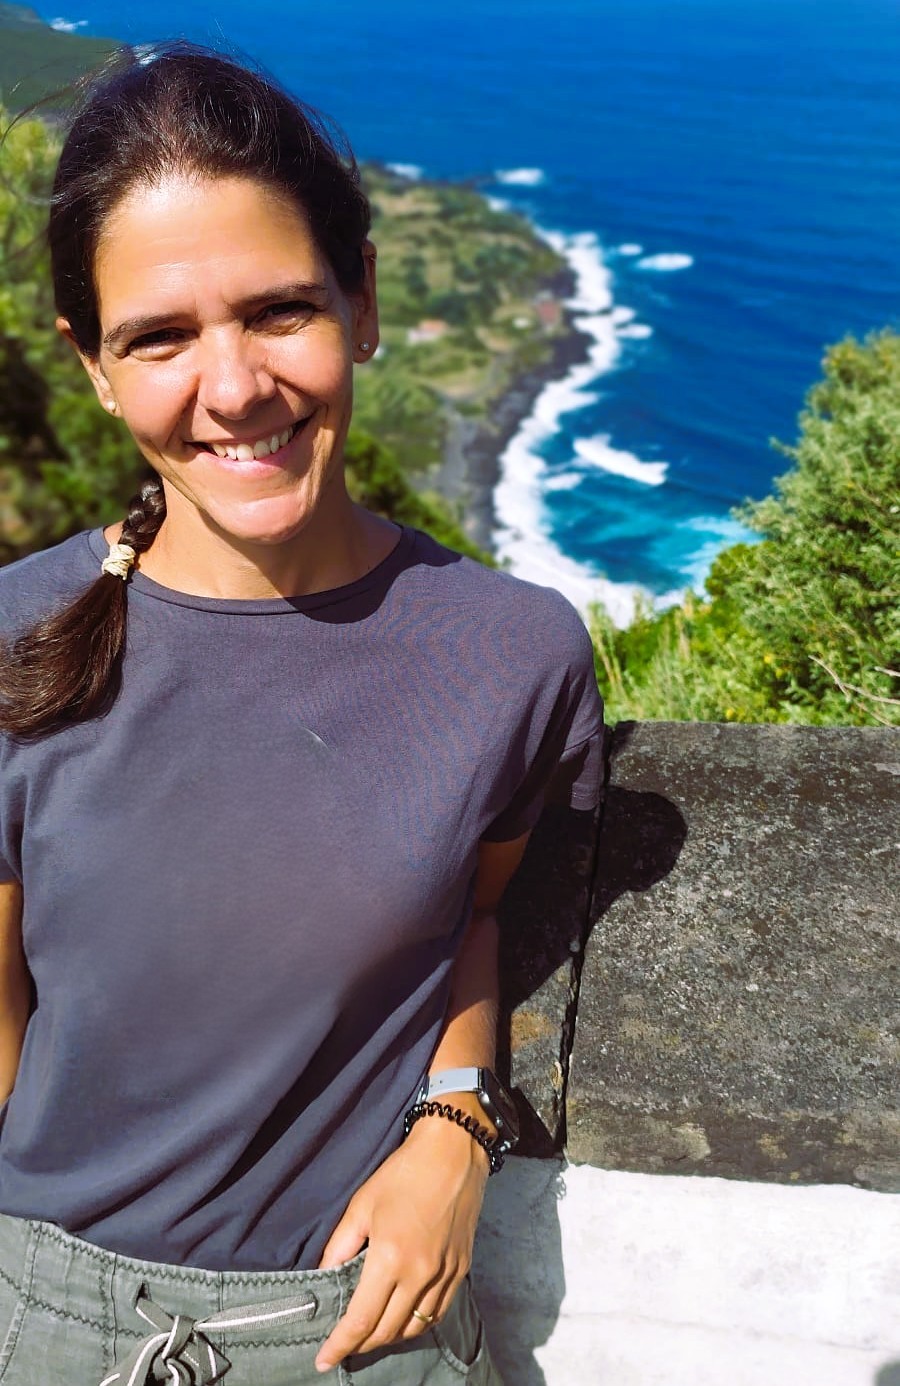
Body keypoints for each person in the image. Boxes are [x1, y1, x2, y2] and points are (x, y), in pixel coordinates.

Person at [0, 44, 604, 1386]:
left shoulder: (511, 654)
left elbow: (477, 908)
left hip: (357, 1325)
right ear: (91, 363)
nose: (234, 387)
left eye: (278, 311)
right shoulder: (14, 640)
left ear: (363, 299)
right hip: (40, 1316)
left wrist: (456, 1123)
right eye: (158, 335)